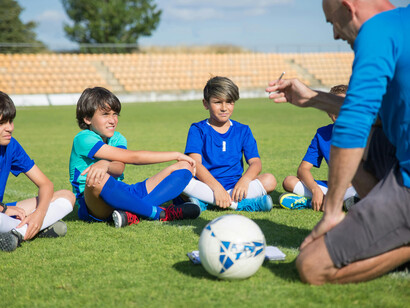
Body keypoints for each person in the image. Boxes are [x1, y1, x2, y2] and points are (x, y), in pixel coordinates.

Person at [266, 0, 410, 284]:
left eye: (332, 21)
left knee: (311, 266)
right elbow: (376, 115)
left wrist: (331, 212)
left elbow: (354, 123)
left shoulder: (375, 32)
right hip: (398, 158)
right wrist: (314, 98)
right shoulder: (401, 23)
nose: (334, 34)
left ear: (349, 7)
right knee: (371, 136)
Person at [69, 87, 200, 228]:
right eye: (105, 114)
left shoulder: (117, 138)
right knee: (97, 178)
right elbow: (133, 157)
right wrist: (175, 154)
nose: (112, 120)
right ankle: (159, 213)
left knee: (185, 166)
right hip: (93, 203)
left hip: (121, 193)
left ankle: (132, 214)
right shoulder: (83, 139)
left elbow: (119, 168)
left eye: (115, 114)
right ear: (87, 118)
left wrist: (105, 164)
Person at [181, 76, 277, 212]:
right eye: (218, 102)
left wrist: (245, 181)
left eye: (229, 102)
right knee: (179, 178)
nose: (224, 108)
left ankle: (206, 203)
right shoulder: (197, 129)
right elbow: (196, 164)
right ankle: (241, 205)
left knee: (269, 180)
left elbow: (256, 163)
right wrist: (216, 188)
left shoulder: (243, 130)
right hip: (207, 186)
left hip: (235, 187)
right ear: (205, 103)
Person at [0, 91, 75, 252]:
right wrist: (4, 210)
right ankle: (35, 230)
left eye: (11, 121)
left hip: (3, 212)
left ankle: (19, 232)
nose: (10, 128)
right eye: (2, 123)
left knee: (67, 196)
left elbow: (45, 184)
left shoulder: (11, 145)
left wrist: (39, 214)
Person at [280, 85, 358, 211]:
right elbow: (303, 169)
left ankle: (319, 202)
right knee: (289, 181)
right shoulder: (322, 134)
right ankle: (329, 201)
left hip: (356, 186)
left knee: (365, 192)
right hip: (333, 187)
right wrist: (315, 190)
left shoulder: (364, 132)